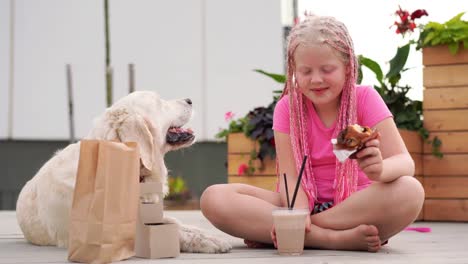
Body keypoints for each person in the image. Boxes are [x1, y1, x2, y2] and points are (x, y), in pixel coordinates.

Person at [200, 14, 424, 252]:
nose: (316, 79)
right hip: (301, 202)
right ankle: (331, 239)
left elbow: (404, 163)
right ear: (294, 70)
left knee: (410, 191)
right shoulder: (287, 108)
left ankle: (297, 233)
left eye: (327, 69)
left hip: (355, 205)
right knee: (214, 198)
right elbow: (290, 178)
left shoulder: (365, 99)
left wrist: (380, 170)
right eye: (305, 71)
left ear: (348, 68)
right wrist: (298, 213)